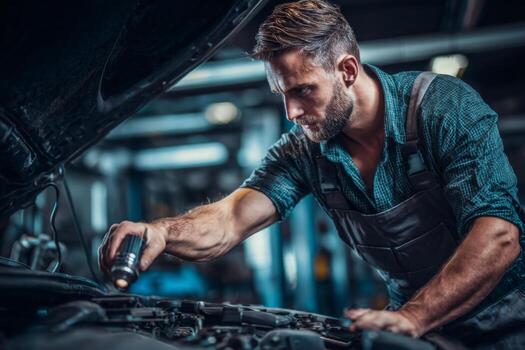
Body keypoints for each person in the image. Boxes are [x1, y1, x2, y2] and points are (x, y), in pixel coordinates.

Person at [99, 0, 525, 347]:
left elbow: (499, 235)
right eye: (282, 95)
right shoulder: (304, 152)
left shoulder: (442, 108)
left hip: (509, 321)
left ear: (347, 70)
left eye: (303, 90)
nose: (293, 113)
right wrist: (161, 232)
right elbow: (229, 220)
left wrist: (413, 316)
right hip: (426, 332)